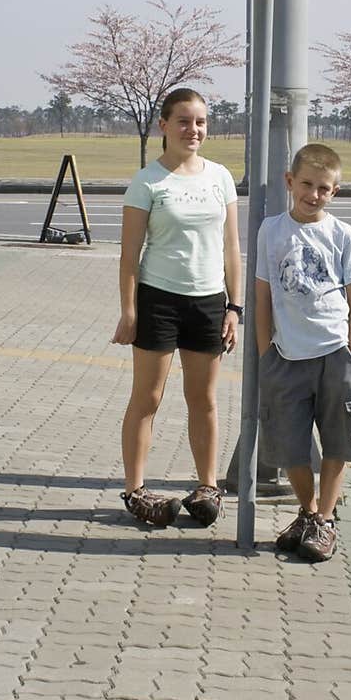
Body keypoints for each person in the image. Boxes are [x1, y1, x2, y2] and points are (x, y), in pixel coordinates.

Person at [112, 88, 243, 528]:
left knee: (203, 400)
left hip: (208, 302)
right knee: (147, 398)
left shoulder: (220, 177)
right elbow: (129, 256)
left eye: (201, 122)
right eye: (184, 121)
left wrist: (234, 307)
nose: (194, 130)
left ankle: (208, 487)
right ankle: (135, 489)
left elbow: (231, 250)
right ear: (164, 126)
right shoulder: (148, 181)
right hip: (159, 300)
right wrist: (129, 312)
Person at [254, 143, 351, 562]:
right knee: (290, 444)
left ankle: (324, 518)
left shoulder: (342, 234)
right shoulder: (271, 230)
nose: (313, 194)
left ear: (335, 192)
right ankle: (307, 511)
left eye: (324, 188)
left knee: (339, 440)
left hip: (335, 353)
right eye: (306, 184)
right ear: (290, 182)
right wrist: (265, 350)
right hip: (287, 356)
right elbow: (263, 292)